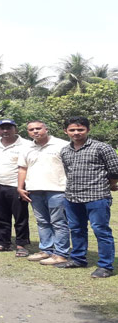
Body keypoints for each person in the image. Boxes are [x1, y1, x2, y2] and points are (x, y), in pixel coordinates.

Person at [57, 116, 118, 278]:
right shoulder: (65, 150)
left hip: (97, 196)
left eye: (80, 129)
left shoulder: (102, 148)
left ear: (88, 130)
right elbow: (68, 172)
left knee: (101, 231)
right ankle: (78, 259)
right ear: (66, 131)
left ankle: (105, 266)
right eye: (72, 130)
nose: (76, 133)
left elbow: (114, 171)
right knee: (76, 229)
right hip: (72, 197)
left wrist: (111, 185)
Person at [17, 121, 70, 265]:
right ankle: (46, 250)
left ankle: (61, 254)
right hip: (35, 189)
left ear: (46, 129)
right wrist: (20, 187)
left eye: (38, 128)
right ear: (28, 132)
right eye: (31, 129)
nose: (35, 131)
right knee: (42, 222)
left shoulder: (62, 145)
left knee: (59, 222)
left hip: (57, 189)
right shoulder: (26, 148)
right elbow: (23, 168)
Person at [0, 119, 32, 256]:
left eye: (8, 128)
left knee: (20, 216)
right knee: (0, 215)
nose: (5, 131)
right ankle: (3, 242)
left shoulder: (26, 144)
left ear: (15, 129)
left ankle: (21, 244)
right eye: (1, 128)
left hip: (17, 185)